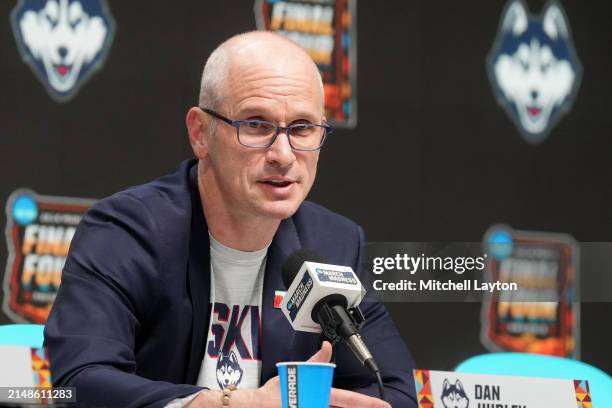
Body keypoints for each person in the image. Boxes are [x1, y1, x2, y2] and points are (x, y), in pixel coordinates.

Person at [44, 31, 417, 407]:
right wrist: (227, 404)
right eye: (256, 124)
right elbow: (79, 382)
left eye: (302, 128)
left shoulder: (335, 243)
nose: (283, 155)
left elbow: (393, 392)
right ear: (200, 133)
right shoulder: (129, 232)